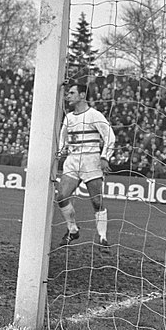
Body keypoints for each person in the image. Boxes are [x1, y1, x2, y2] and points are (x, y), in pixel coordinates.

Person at [56, 83, 116, 252]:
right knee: (62, 196)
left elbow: (109, 136)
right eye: (68, 93)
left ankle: (103, 238)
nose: (68, 96)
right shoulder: (68, 118)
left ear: (82, 96)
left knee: (96, 201)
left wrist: (105, 157)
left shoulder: (94, 115)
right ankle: (73, 230)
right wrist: (59, 154)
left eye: (72, 93)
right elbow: (62, 140)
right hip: (73, 160)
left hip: (91, 161)